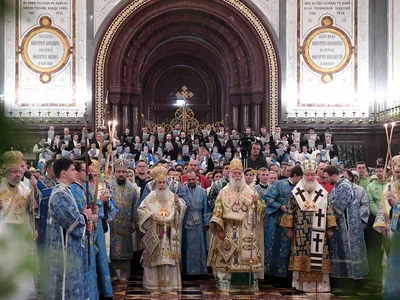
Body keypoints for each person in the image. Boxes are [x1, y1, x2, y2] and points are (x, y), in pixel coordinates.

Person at [207, 159, 266, 292]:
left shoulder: (250, 191)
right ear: (230, 175)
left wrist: (257, 203)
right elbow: (217, 211)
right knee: (227, 254)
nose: (237, 176)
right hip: (228, 229)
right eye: (235, 174)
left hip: (247, 230)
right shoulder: (223, 191)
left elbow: (262, 208)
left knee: (247, 255)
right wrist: (219, 229)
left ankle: (250, 281)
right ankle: (225, 279)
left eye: (239, 173)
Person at [280, 159, 337, 292]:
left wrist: (330, 227)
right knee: (302, 256)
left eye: (312, 174)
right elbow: (290, 210)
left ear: (315, 175)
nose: (310, 177)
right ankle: (301, 285)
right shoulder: (296, 192)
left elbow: (328, 209)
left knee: (319, 256)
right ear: (303, 176)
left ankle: (321, 286)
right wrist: (289, 228)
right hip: (300, 231)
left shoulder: (322, 192)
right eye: (307, 175)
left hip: (320, 231)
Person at [44, 158, 93, 300]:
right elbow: (70, 221)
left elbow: (75, 217)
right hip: (62, 248)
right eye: (73, 170)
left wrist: (85, 221)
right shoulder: (59, 194)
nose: (75, 172)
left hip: (70, 246)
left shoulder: (66, 191)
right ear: (64, 173)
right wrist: (85, 217)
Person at [138, 166, 187, 291]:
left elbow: (181, 210)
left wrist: (177, 203)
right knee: (154, 259)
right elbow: (141, 210)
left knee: (169, 259)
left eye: (164, 182)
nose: (161, 185)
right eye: (159, 182)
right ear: (155, 183)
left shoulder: (172, 196)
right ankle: (152, 284)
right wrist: (150, 215)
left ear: (167, 183)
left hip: (170, 234)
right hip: (155, 232)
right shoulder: (151, 196)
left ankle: (171, 285)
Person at [0, 150, 38, 298]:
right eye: (14, 171)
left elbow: (30, 212)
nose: (18, 174)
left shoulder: (25, 190)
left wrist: (32, 229)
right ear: (6, 172)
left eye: (20, 171)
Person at [325, 166, 369, 285]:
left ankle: (350, 277)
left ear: (333, 175)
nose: (326, 180)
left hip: (347, 225)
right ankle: (345, 276)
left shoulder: (344, 185)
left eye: (327, 177)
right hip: (344, 223)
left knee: (348, 248)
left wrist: (327, 220)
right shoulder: (340, 186)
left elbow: (337, 207)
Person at [264, 166, 303, 279]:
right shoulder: (279, 184)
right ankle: (270, 274)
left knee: (288, 246)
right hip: (277, 219)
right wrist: (280, 206)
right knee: (273, 244)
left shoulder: (299, 187)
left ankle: (286, 275)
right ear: (295, 176)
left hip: (292, 220)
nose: (301, 180)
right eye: (300, 178)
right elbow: (268, 198)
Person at [108, 159, 138, 281]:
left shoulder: (132, 189)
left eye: (123, 172)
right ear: (115, 172)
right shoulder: (108, 186)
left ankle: (125, 275)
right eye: (118, 172)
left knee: (126, 248)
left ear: (127, 173)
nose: (121, 174)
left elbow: (135, 205)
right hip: (112, 224)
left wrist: (134, 221)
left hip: (126, 223)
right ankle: (113, 274)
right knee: (112, 248)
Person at [373, 155, 400, 290]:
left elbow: (395, 205)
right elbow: (383, 208)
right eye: (397, 172)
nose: (399, 174)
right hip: (393, 230)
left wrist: (397, 205)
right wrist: (382, 225)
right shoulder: (389, 188)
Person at [181, 170, 211, 275]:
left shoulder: (202, 191)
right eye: (189, 179)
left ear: (196, 179)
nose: (191, 181)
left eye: (193, 179)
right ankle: (187, 270)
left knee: (199, 246)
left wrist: (206, 223)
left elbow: (206, 207)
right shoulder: (182, 191)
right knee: (187, 246)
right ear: (186, 179)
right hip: (186, 221)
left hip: (199, 223)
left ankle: (200, 270)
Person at [365, 164, 387, 280]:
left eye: (381, 171)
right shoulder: (370, 186)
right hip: (375, 218)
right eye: (377, 171)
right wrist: (379, 213)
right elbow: (370, 202)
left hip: (391, 217)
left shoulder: (390, 185)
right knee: (376, 245)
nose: (379, 173)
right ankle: (375, 270)